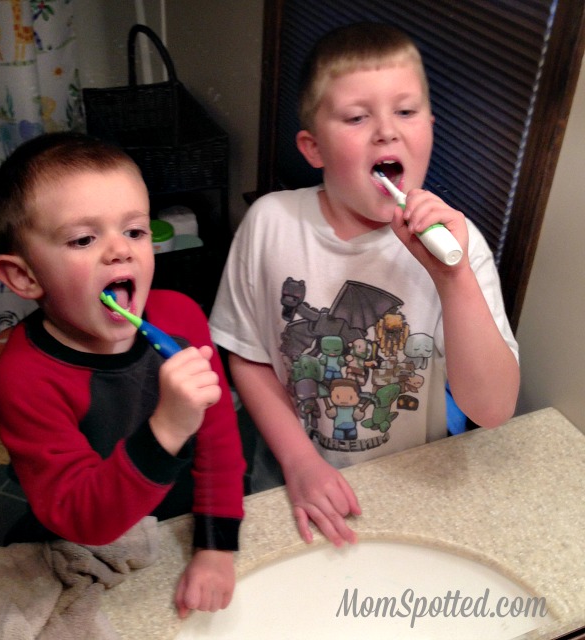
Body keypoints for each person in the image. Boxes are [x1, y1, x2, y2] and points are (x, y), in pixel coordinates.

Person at [209, 23, 519, 549]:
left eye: (406, 111)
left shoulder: (460, 246)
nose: (386, 132)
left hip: (411, 480)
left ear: (430, 127)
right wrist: (301, 461)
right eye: (357, 117)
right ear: (313, 147)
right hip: (287, 477)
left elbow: (492, 409)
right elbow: (249, 356)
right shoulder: (271, 223)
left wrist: (454, 278)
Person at [0, 131, 246, 619]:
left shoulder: (183, 318)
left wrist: (215, 543)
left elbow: (221, 445)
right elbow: (82, 518)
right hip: (85, 537)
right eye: (84, 239)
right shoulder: (22, 377)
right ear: (25, 277)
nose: (119, 252)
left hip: (181, 521)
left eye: (135, 231)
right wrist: (167, 427)